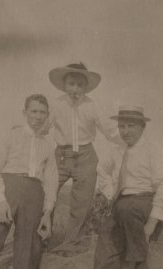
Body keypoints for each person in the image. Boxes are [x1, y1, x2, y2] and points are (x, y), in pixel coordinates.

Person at [87, 105, 163, 269]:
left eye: (130, 126)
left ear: (142, 127)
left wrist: (151, 224)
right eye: (122, 126)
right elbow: (101, 170)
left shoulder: (154, 150)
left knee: (128, 209)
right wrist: (111, 193)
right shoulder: (116, 149)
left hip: (145, 202)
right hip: (121, 204)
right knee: (106, 244)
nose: (125, 131)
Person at [0, 94, 59, 269]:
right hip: (9, 188)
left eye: (42, 112)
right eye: (33, 111)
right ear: (24, 112)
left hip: (35, 194)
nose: (38, 116)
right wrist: (0, 201)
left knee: (28, 252)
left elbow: (51, 180)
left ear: (47, 116)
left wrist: (47, 213)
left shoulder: (48, 145)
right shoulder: (11, 136)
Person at [46, 62, 122, 256]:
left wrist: (127, 140)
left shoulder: (92, 106)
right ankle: (42, 239)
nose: (75, 89)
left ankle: (71, 244)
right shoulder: (55, 104)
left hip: (86, 156)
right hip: (61, 156)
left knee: (80, 202)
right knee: (47, 193)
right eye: (71, 84)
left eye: (80, 85)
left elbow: (109, 129)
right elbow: (43, 127)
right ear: (64, 85)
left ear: (85, 87)